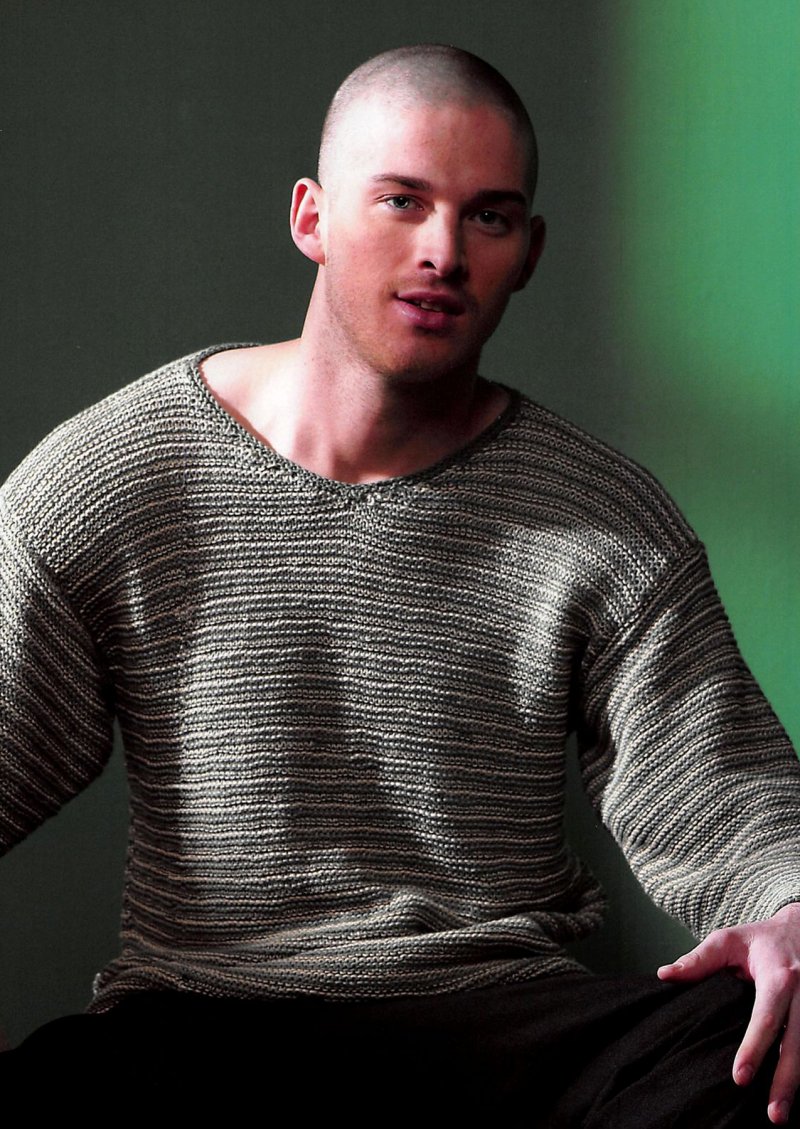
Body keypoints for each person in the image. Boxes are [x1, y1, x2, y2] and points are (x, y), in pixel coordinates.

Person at [1, 43, 799, 1125]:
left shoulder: (604, 517)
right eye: (401, 201)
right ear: (313, 217)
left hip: (507, 1031)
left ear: (528, 252)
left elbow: (725, 796)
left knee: (765, 1036)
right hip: (206, 1025)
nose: (442, 252)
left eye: (487, 217)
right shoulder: (123, 476)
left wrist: (791, 902)